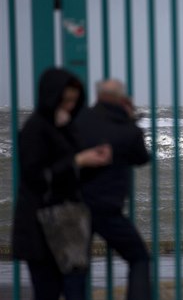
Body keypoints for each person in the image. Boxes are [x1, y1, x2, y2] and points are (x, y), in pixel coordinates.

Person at [12, 67, 112, 300]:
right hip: (40, 228)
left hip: (69, 225)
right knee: (47, 292)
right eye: (65, 100)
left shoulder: (66, 127)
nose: (69, 105)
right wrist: (77, 160)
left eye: (74, 101)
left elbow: (76, 169)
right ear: (51, 96)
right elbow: (35, 176)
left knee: (74, 289)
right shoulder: (34, 129)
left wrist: (92, 157)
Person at [75, 79, 151, 300]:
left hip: (76, 206)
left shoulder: (80, 120)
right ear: (121, 98)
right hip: (108, 210)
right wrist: (130, 118)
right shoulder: (126, 128)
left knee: (77, 267)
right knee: (139, 258)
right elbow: (141, 157)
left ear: (98, 95)